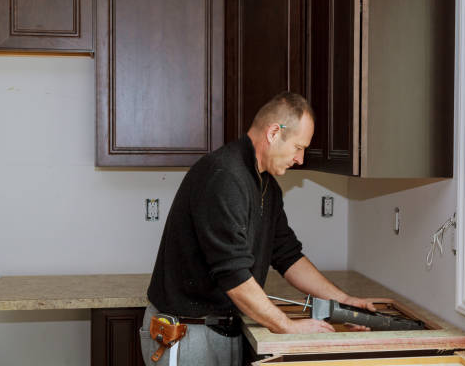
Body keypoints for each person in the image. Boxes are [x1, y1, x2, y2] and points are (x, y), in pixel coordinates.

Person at [141, 92, 375, 366]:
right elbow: (233, 275)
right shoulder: (224, 176)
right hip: (187, 333)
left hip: (222, 328)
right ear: (274, 133)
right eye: (299, 147)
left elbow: (288, 255)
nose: (300, 159)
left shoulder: (265, 185)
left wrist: (344, 301)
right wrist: (287, 326)